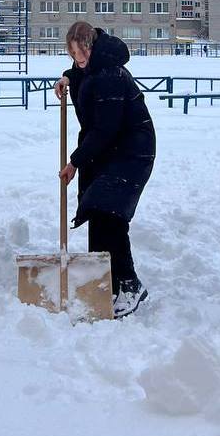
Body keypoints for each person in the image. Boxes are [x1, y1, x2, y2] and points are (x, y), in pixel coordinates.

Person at [54, 22, 156, 318]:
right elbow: (84, 73)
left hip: (131, 150)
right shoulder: (93, 66)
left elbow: (105, 129)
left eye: (82, 51)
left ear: (92, 45)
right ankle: (106, 283)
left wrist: (75, 162)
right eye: (72, 53)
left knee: (109, 213)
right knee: (97, 211)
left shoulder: (110, 73)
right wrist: (68, 77)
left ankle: (129, 285)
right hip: (110, 149)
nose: (79, 57)